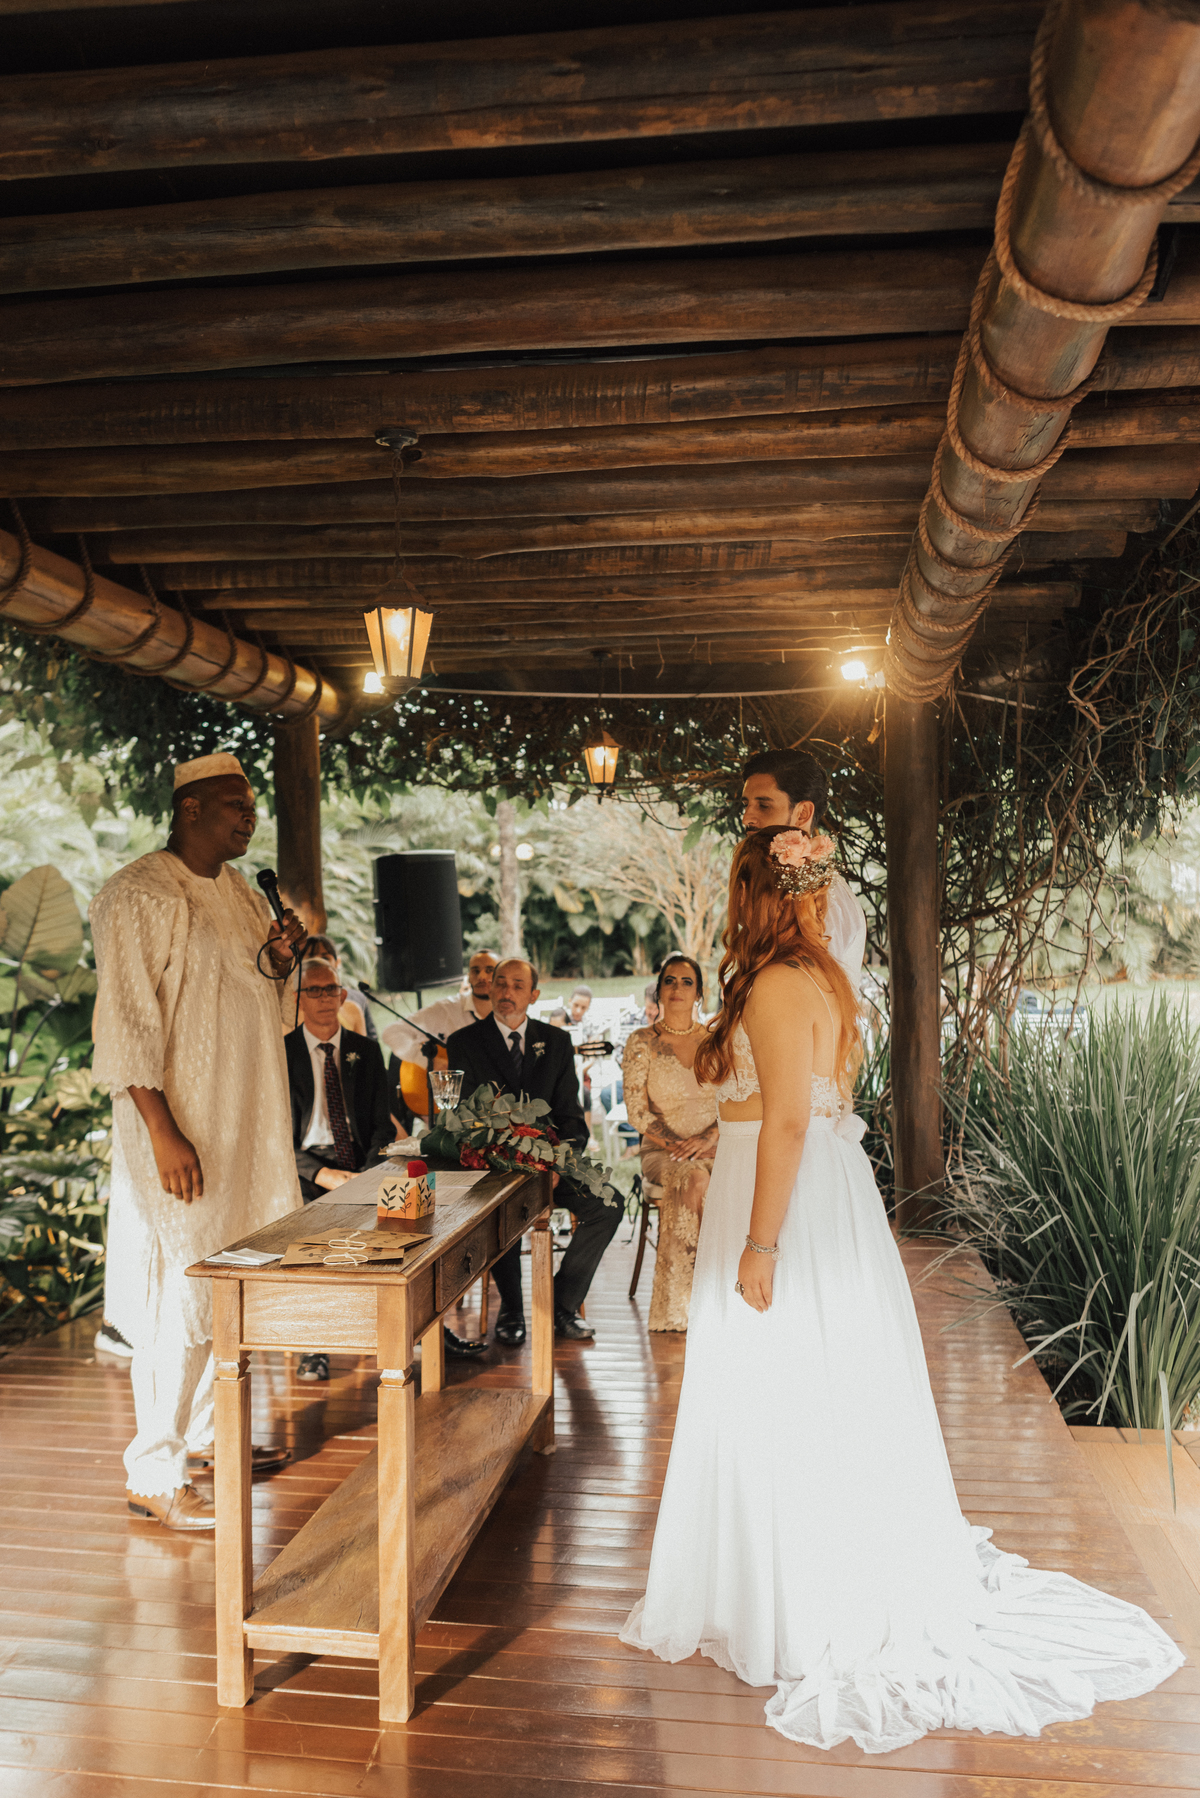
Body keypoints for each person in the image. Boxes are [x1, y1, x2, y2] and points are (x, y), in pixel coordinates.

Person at [620, 828, 1183, 1751]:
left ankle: (799, 1602)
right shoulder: (821, 979)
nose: (730, 906)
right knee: (808, 1386)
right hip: (804, 1189)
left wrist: (760, 1243)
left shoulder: (777, 984)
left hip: (784, 1200)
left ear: (758, 894)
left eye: (737, 889)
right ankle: (780, 1582)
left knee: (786, 1387)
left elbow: (790, 1122)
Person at [90, 752, 304, 1532]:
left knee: (226, 1281)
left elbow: (269, 1012)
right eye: (234, 805)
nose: (249, 816)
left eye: (251, 805)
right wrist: (162, 1130)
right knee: (176, 1289)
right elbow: (126, 1024)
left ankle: (209, 1439)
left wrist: (281, 962)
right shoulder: (140, 893)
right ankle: (154, 1471)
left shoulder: (242, 894)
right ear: (189, 809)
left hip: (244, 1123)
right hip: (179, 1128)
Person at [448, 957, 620, 1345]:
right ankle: (511, 1308)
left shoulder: (556, 1042)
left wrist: (558, 1163)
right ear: (489, 988)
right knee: (501, 1209)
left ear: (534, 995)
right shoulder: (464, 1043)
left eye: (517, 986)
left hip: (552, 1164)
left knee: (608, 1205)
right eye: (500, 983)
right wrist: (504, 1158)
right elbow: (465, 1120)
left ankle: (561, 1304)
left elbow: (571, 1117)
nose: (506, 992)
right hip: (496, 1167)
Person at [622, 955, 718, 1332]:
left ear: (699, 994)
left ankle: (732, 1294)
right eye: (670, 981)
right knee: (695, 1178)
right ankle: (683, 1304)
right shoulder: (641, 1041)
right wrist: (679, 1145)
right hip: (663, 1150)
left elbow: (734, 1099)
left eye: (686, 982)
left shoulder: (715, 1041)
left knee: (748, 1172)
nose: (677, 987)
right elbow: (636, 1111)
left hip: (715, 1143)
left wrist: (709, 1138)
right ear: (659, 991)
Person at [741, 748, 867, 990]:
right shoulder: (773, 883)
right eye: (746, 805)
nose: (747, 818)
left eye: (763, 806)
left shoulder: (823, 893)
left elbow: (817, 990)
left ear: (803, 813)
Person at [299, 934, 376, 1038]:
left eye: (325, 958)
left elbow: (369, 1043)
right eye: (311, 958)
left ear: (337, 963)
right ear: (299, 965)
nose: (319, 963)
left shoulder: (357, 1001)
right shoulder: (292, 1007)